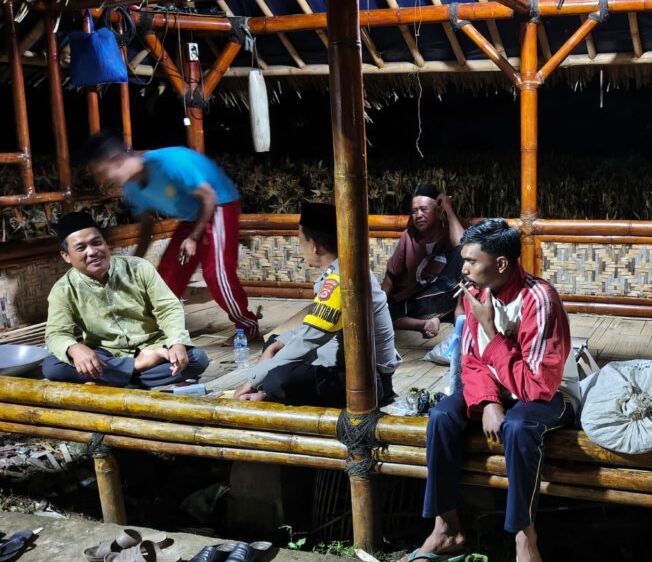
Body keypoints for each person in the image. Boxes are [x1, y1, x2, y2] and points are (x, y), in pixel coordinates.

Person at [395, 219, 574, 562]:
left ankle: (526, 540)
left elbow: (535, 387)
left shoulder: (539, 299)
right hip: (497, 392)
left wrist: (491, 330)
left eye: (472, 261)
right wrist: (489, 402)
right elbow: (472, 363)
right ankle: (447, 529)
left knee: (519, 426)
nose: (463, 268)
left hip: (545, 396)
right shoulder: (476, 293)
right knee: (442, 416)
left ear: (502, 264)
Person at [80, 131, 260, 342]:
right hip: (190, 217)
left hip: (219, 205)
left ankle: (247, 327)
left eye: (103, 173)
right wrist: (135, 261)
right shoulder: (131, 186)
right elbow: (147, 224)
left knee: (216, 273)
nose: (102, 181)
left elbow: (209, 196)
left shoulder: (171, 162)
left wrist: (193, 238)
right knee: (168, 275)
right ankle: (157, 329)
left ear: (117, 160)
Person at [232, 202, 400, 407]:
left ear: (315, 246)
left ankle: (267, 396)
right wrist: (276, 346)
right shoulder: (339, 271)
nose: (300, 247)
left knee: (278, 378)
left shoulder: (341, 280)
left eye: (300, 240)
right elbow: (311, 327)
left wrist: (251, 380)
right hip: (342, 365)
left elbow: (309, 340)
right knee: (275, 343)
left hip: (368, 383)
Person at [42, 211, 209, 389]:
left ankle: (114, 380)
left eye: (96, 243)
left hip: (153, 347)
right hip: (107, 355)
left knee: (197, 359)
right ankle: (137, 368)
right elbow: (55, 333)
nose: (92, 252)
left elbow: (168, 307)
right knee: (53, 367)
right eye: (81, 248)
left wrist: (176, 342)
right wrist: (73, 348)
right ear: (66, 256)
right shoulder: (63, 290)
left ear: (106, 243)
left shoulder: (139, 268)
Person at [382, 183, 465, 338]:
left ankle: (442, 315)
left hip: (446, 294)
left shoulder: (448, 233)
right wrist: (378, 306)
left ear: (438, 210)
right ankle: (425, 323)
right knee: (384, 310)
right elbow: (390, 277)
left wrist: (448, 209)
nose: (418, 215)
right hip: (418, 302)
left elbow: (464, 248)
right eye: (414, 211)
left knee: (464, 257)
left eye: (423, 209)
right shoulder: (408, 236)